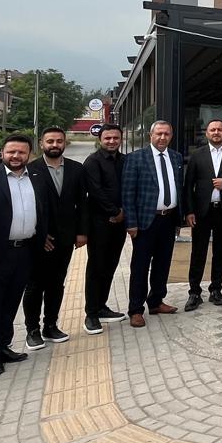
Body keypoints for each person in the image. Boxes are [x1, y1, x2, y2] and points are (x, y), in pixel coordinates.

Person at [0, 133, 51, 374]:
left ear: (29, 154)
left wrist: (42, 236)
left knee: (11, 302)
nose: (16, 156)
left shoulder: (36, 177)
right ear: (3, 152)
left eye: (21, 152)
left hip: (25, 251)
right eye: (11, 151)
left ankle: (3, 346)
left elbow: (42, 210)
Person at [23, 126, 89, 351]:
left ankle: (50, 325)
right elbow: (26, 206)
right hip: (39, 239)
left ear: (64, 143)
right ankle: (32, 330)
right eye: (50, 141)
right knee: (35, 285)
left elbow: (82, 203)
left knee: (56, 284)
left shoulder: (76, 169)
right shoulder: (30, 170)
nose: (54, 145)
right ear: (42, 143)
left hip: (66, 238)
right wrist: (39, 234)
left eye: (59, 141)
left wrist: (81, 232)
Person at [121, 120, 184, 325]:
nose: (162, 137)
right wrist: (131, 223)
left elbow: (179, 188)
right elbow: (128, 193)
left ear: (171, 136)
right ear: (151, 135)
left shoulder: (176, 157)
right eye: (159, 134)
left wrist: (180, 218)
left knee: (163, 263)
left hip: (169, 219)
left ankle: (156, 301)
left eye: (166, 134)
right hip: (145, 221)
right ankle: (136, 309)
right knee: (140, 266)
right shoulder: (136, 158)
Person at [181, 118, 222, 309]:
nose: (216, 132)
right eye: (212, 130)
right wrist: (189, 211)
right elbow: (188, 185)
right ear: (207, 133)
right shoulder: (197, 155)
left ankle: (216, 289)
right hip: (201, 212)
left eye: (220, 129)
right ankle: (194, 292)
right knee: (198, 252)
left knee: (221, 252)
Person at [80, 123, 130, 333]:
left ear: (121, 139)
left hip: (120, 222)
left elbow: (129, 187)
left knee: (110, 265)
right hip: (100, 223)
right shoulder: (92, 162)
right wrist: (115, 212)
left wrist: (124, 213)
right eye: (107, 138)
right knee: (96, 268)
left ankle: (101, 306)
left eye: (115, 138)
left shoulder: (125, 160)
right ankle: (91, 314)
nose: (112, 141)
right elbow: (96, 191)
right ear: (100, 140)